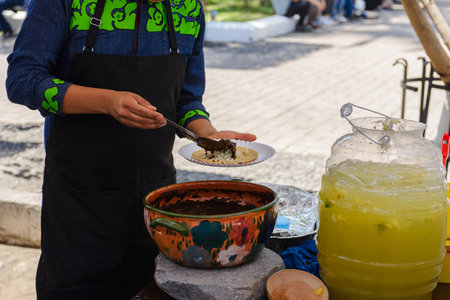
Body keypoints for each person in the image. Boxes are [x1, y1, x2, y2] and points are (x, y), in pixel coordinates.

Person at [6, 0, 256, 299]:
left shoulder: (187, 8)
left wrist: (209, 137)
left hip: (156, 203)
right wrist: (106, 102)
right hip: (78, 202)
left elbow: (187, 101)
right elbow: (22, 79)